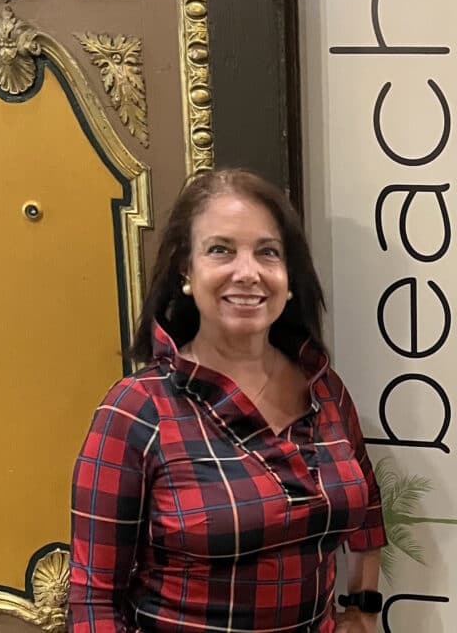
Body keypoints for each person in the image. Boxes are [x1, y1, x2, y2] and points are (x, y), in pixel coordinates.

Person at [69, 168, 386, 633]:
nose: (248, 272)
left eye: (267, 252)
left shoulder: (324, 389)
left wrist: (363, 609)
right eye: (221, 250)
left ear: (289, 276)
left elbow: (367, 505)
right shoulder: (137, 410)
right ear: (186, 269)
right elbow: (93, 600)